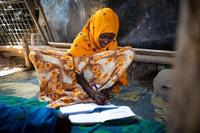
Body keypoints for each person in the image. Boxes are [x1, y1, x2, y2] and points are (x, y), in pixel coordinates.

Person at [29, 8, 135, 108]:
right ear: (95, 29)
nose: (106, 41)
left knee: (128, 52)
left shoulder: (112, 43)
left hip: (97, 80)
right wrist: (93, 94)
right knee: (39, 55)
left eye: (110, 37)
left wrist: (107, 90)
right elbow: (77, 72)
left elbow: (114, 69)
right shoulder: (82, 41)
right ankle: (88, 91)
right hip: (78, 77)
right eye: (102, 36)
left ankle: (98, 89)